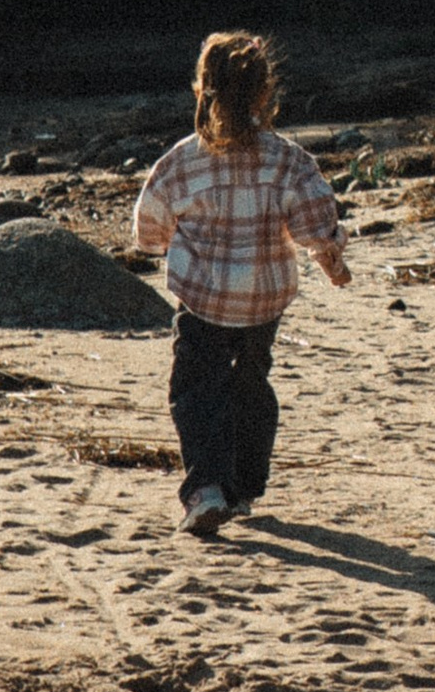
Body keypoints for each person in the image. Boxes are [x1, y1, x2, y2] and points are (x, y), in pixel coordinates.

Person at [132, 32, 350, 538]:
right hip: (263, 299)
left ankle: (208, 489)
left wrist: (173, 241)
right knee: (251, 383)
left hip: (205, 298)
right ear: (263, 95)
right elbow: (316, 223)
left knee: (195, 391)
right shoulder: (287, 159)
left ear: (201, 91)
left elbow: (148, 229)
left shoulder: (183, 160)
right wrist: (333, 263)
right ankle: (245, 487)